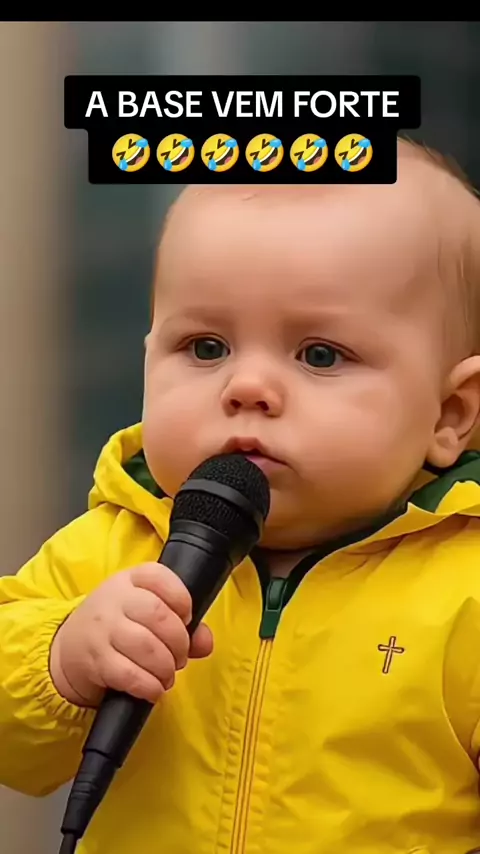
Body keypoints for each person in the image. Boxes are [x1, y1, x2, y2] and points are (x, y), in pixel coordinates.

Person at [1, 137, 480, 854]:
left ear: (449, 415)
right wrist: (62, 660)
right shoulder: (114, 548)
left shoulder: (465, 588)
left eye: (320, 354)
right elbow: (14, 748)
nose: (246, 386)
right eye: (206, 347)